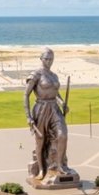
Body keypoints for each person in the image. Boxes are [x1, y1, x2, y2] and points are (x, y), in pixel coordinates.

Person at [24, 47, 70, 181]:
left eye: (51, 59)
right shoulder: (36, 74)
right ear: (41, 59)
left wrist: (62, 103)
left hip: (54, 109)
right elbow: (26, 95)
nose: (49, 61)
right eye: (46, 59)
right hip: (41, 109)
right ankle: (42, 169)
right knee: (40, 141)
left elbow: (56, 93)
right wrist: (28, 116)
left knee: (63, 135)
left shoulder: (54, 75)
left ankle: (60, 165)